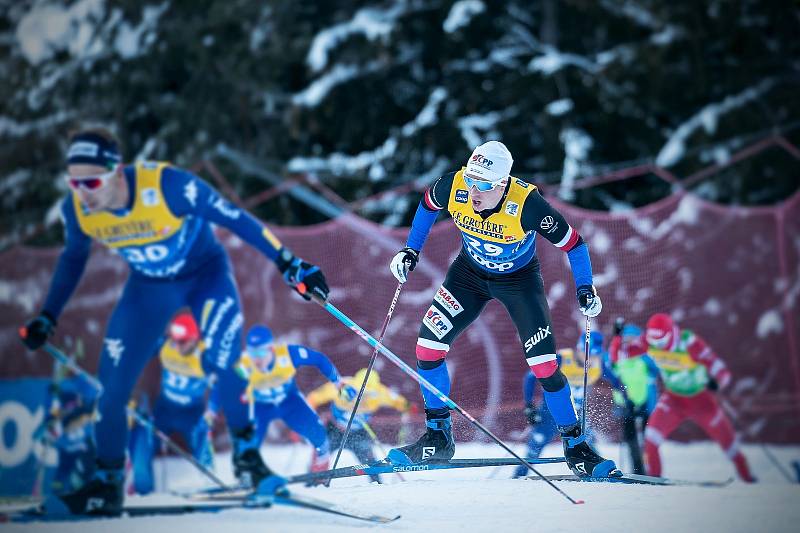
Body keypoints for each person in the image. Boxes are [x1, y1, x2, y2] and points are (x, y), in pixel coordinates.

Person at [19, 128, 330, 515]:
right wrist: (48, 316)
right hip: (149, 288)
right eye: (75, 182)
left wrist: (289, 262)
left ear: (117, 172)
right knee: (112, 389)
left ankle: (249, 463)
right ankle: (107, 483)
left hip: (205, 276)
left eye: (92, 181)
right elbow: (72, 260)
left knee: (224, 359)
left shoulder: (166, 186)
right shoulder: (79, 210)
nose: (83, 192)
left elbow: (234, 217)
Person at [386, 140, 618, 478]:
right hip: (468, 276)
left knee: (544, 366)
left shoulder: (528, 205)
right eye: (470, 180)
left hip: (519, 282)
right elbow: (426, 205)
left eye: (482, 184)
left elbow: (575, 244)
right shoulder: (455, 186)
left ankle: (576, 446)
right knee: (427, 348)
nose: (473, 190)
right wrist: (411, 251)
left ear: (501, 184)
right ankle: (438, 437)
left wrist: (585, 288)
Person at [610, 313, 755, 482]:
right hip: (674, 399)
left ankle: (748, 478)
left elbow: (718, 368)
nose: (658, 346)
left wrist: (717, 381)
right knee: (651, 437)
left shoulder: (687, 342)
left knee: (728, 443)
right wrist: (617, 338)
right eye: (655, 342)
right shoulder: (650, 341)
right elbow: (618, 356)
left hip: (700, 400)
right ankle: (653, 480)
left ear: (671, 334)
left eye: (662, 342)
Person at [236, 325, 356, 477]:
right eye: (252, 353)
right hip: (261, 407)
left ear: (271, 349)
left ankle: (321, 468)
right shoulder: (243, 364)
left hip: (289, 402)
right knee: (250, 440)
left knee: (318, 435)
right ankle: (246, 474)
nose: (257, 359)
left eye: (260, 352)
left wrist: (337, 382)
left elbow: (318, 359)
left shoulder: (288, 354)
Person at [128, 313, 219, 495]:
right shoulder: (165, 345)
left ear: (194, 339)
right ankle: (142, 489)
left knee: (202, 436)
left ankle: (212, 486)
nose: (176, 346)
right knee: (142, 436)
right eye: (174, 340)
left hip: (192, 413)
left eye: (182, 342)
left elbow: (220, 385)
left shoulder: (205, 356)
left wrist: (212, 410)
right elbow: (138, 356)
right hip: (164, 410)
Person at [512, 332, 604, 478]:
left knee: (588, 445)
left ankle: (599, 473)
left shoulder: (599, 363)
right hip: (550, 413)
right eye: (589, 354)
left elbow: (617, 381)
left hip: (576, 414)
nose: (591, 359)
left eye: (595, 355)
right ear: (580, 349)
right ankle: (518, 477)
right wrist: (529, 406)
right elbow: (530, 377)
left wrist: (626, 399)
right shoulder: (563, 358)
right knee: (536, 446)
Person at [307, 368, 413, 482]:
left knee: (370, 461)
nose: (364, 396)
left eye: (369, 393)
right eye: (361, 391)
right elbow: (314, 398)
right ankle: (313, 480)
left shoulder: (381, 392)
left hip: (359, 432)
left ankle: (376, 484)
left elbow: (398, 401)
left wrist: (406, 406)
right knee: (321, 456)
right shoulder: (342, 384)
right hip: (335, 428)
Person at [603, 318, 659, 474]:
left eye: (632, 338)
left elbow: (655, 371)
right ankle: (638, 472)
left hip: (644, 404)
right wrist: (616, 337)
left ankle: (653, 471)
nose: (629, 342)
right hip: (625, 405)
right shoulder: (617, 356)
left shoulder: (644, 356)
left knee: (648, 441)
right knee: (631, 441)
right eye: (625, 338)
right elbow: (608, 361)